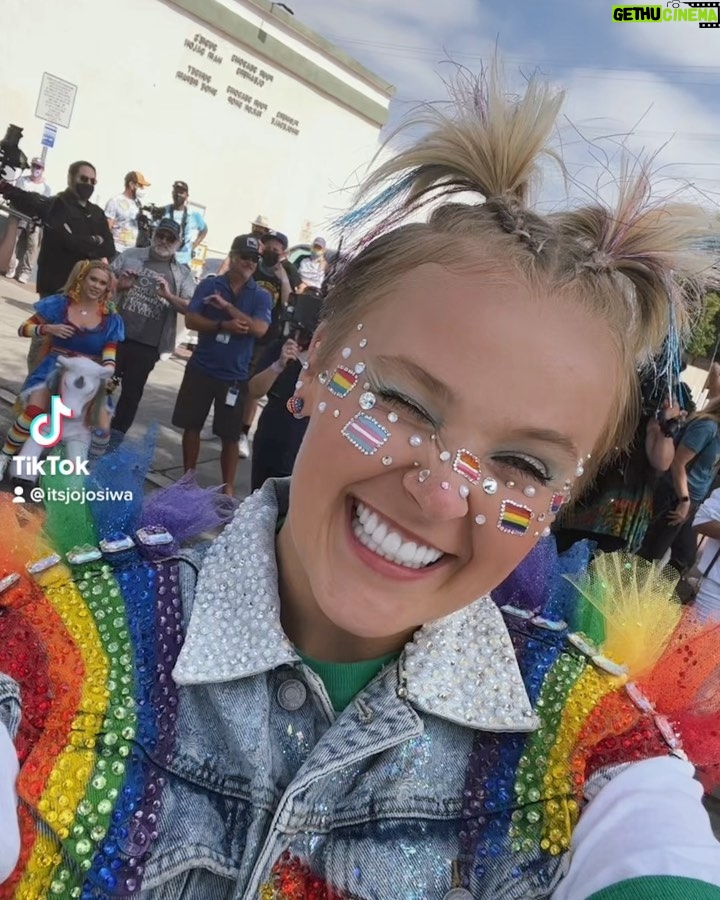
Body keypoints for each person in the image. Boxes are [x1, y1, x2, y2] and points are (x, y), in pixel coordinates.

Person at [3, 65, 720, 900]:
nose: (442, 491)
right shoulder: (46, 646)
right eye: (405, 401)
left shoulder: (595, 750)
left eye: (523, 465)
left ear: (568, 496)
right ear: (310, 369)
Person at [0, 260, 124, 479]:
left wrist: (107, 372)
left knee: (102, 426)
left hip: (89, 376)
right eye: (92, 279)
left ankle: (89, 473)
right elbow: (23, 329)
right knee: (33, 413)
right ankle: (5, 457)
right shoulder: (59, 304)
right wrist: (47, 328)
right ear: (82, 279)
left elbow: (109, 352)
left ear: (107, 287)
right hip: (54, 369)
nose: (96, 285)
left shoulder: (110, 317)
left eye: (102, 282)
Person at [171, 234, 271, 494]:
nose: (250, 263)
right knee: (191, 425)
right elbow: (192, 320)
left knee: (230, 435)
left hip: (234, 375)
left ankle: (227, 491)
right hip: (202, 367)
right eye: (246, 257)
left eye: (254, 259)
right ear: (234, 257)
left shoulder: (260, 295)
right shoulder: (210, 285)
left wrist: (228, 308)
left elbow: (260, 329)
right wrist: (222, 326)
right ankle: (187, 480)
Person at [554, 389, 683, 555]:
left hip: (619, 514)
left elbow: (662, 463)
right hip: (581, 499)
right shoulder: (602, 393)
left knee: (600, 572)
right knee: (560, 558)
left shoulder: (654, 406)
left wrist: (666, 425)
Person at [110, 219, 196, 433]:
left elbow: (191, 307)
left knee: (130, 396)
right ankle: (86, 433)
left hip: (148, 345)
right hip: (116, 335)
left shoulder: (182, 273)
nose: (164, 241)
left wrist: (168, 295)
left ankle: (112, 443)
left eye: (170, 238)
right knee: (99, 387)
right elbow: (103, 280)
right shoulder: (131, 255)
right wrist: (119, 286)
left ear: (178, 243)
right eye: (161, 235)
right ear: (154, 235)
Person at [0, 160, 115, 298]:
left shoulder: (97, 213)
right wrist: (95, 240)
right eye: (84, 179)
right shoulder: (54, 206)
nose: (88, 184)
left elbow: (109, 248)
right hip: (55, 285)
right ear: (70, 178)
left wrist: (83, 242)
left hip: (83, 290)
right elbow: (69, 242)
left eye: (92, 181)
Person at [238, 229, 301, 458]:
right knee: (232, 382)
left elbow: (289, 303)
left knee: (252, 389)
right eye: (268, 248)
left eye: (276, 250)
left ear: (283, 252)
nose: (271, 253)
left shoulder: (289, 271)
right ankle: (226, 428)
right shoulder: (255, 263)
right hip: (242, 332)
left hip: (269, 338)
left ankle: (243, 433)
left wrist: (282, 274)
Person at [639, 397, 720, 573]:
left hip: (693, 501)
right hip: (676, 496)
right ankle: (623, 595)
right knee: (649, 557)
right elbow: (678, 463)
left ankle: (655, 596)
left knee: (684, 557)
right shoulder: (707, 427)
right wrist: (684, 500)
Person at [248, 334, 309, 490]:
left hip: (304, 448)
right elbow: (254, 390)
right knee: (259, 499)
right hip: (270, 438)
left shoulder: (334, 360)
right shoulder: (282, 347)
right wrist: (278, 365)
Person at [5, 157, 52, 284]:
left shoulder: (46, 188)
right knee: (12, 241)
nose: (36, 169)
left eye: (39, 167)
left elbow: (44, 206)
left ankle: (26, 272)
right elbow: (17, 198)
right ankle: (11, 266)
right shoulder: (22, 181)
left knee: (33, 246)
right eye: (34, 166)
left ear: (43, 169)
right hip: (20, 216)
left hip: (34, 221)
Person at [159, 180, 207, 266]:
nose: (178, 194)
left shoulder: (193, 215)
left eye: (181, 192)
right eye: (176, 191)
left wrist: (194, 245)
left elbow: (204, 230)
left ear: (187, 196)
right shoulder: (163, 211)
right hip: (163, 258)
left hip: (182, 261)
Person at [104, 170, 151, 253]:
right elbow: (106, 228)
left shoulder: (137, 203)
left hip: (132, 251)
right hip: (117, 250)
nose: (142, 189)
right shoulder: (115, 201)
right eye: (140, 185)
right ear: (131, 184)